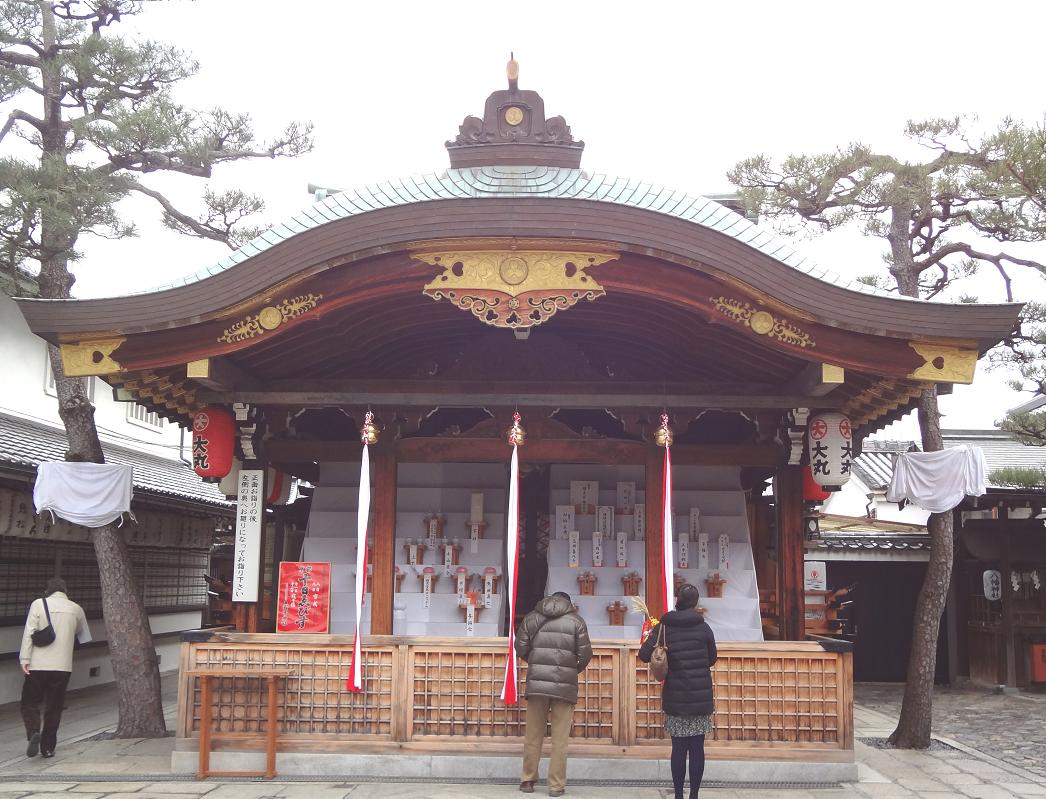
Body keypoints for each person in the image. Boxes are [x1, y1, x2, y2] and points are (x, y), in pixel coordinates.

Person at [639, 583, 717, 799]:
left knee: (679, 748)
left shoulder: (664, 627)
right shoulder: (703, 627)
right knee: (697, 748)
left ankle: (678, 797)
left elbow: (644, 654)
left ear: (677, 600)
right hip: (700, 696)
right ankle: (694, 795)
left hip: (675, 695)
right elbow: (712, 658)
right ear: (695, 603)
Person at [515, 591, 592, 797]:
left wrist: (535, 664)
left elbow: (520, 647)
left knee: (533, 734)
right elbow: (585, 655)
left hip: (537, 684)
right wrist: (571, 670)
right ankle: (556, 785)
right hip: (564, 686)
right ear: (567, 603)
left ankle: (527, 780)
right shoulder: (576, 621)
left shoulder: (532, 617)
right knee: (560, 738)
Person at [19, 577, 91, 759]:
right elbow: (84, 637)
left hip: (37, 664)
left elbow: (29, 632)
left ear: (47, 591)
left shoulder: (38, 604)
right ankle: (48, 747)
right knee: (54, 706)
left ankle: (34, 731)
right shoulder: (76, 609)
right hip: (62, 665)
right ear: (66, 592)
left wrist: (24, 658)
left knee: (29, 701)